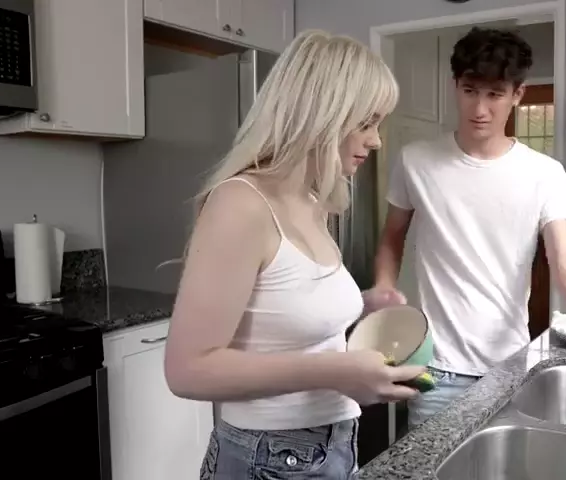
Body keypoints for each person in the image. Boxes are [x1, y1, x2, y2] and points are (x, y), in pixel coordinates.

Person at [363, 27, 566, 429]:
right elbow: (391, 237)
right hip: (437, 368)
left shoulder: (545, 174)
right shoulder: (415, 160)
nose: (480, 108)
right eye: (470, 91)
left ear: (517, 94)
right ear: (455, 85)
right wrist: (384, 288)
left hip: (509, 367)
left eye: (495, 94)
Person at [163, 29, 425, 480]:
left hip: (328, 445)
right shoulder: (241, 204)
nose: (376, 140)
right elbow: (187, 370)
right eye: (366, 122)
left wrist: (364, 304)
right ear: (322, 114)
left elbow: (280, 314)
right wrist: (333, 371)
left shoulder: (311, 202)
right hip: (268, 458)